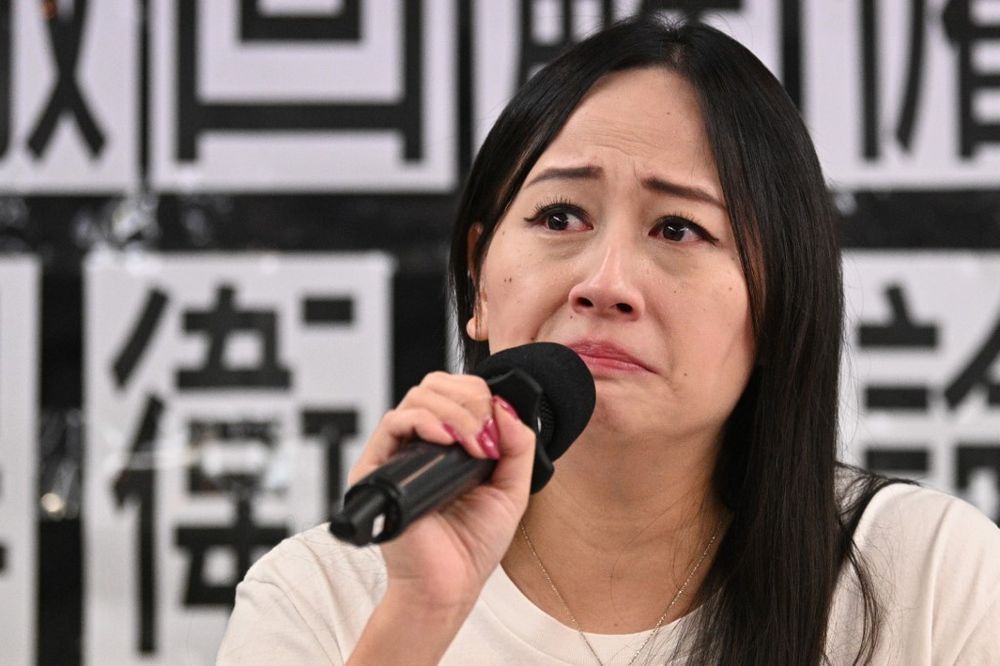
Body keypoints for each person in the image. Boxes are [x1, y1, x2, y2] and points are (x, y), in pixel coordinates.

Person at [217, 16, 1000, 665]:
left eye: (679, 228)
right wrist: (420, 615)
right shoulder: (321, 597)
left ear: (779, 307)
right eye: (560, 217)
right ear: (478, 276)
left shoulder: (927, 579)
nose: (606, 281)